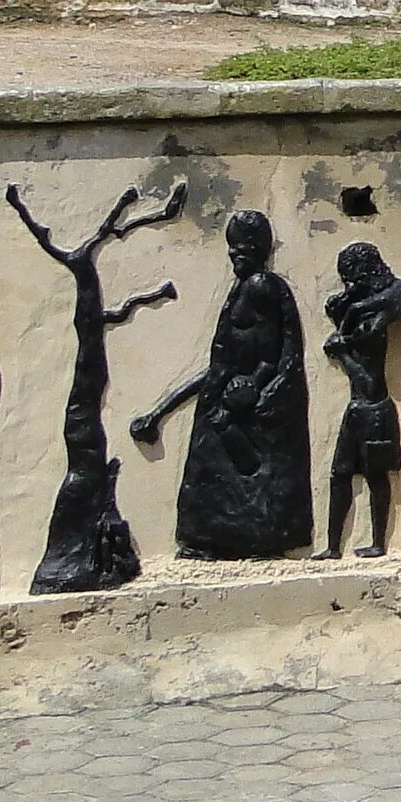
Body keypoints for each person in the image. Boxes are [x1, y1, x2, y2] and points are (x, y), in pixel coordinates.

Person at [131, 210, 312, 559]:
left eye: (242, 246)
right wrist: (160, 413)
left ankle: (260, 541)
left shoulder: (262, 287)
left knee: (245, 473)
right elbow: (218, 366)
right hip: (228, 397)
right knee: (207, 468)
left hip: (248, 402)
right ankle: (209, 540)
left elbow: (270, 355)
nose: (234, 253)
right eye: (232, 246)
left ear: (259, 247)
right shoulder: (242, 289)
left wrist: (253, 387)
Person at [317, 241, 401, 558]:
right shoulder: (359, 314)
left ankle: (379, 543)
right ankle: (332, 546)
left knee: (375, 478)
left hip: (373, 408)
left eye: (352, 279)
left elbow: (367, 379)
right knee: (339, 475)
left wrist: (343, 353)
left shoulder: (375, 319)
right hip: (358, 410)